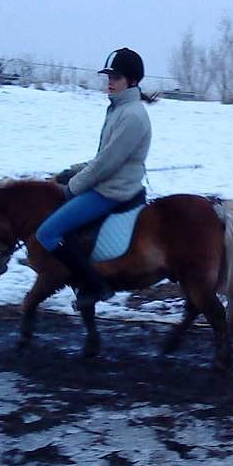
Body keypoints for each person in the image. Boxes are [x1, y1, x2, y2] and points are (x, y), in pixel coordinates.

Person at [36, 47, 152, 308]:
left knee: (47, 233)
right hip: (108, 183)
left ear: (132, 80)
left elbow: (106, 165)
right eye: (109, 77)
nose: (110, 82)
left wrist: (72, 187)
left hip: (113, 191)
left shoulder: (132, 115)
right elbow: (102, 158)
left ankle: (94, 285)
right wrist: (71, 171)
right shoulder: (119, 109)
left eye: (116, 77)